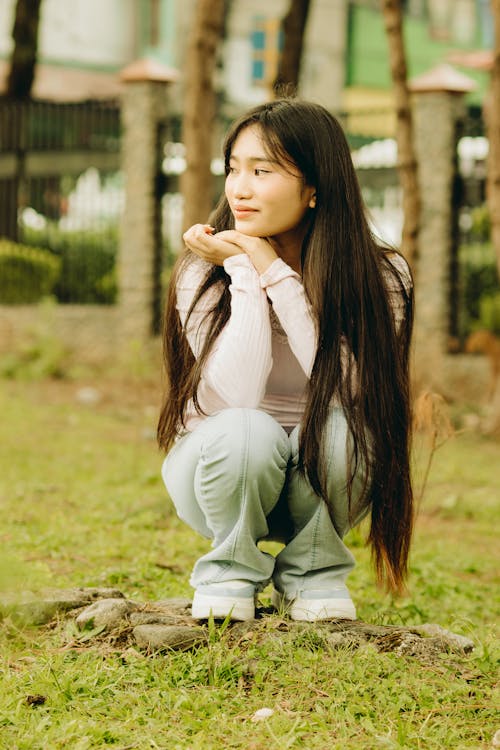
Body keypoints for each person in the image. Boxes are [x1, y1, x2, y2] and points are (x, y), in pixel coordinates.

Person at [157, 98, 414, 623]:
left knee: (344, 426)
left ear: (315, 186)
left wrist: (276, 272)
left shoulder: (381, 276)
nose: (239, 188)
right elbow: (235, 399)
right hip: (219, 470)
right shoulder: (202, 271)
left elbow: (349, 388)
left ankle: (313, 572)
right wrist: (245, 275)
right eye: (233, 169)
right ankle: (228, 571)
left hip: (330, 474)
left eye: (262, 171)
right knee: (247, 429)